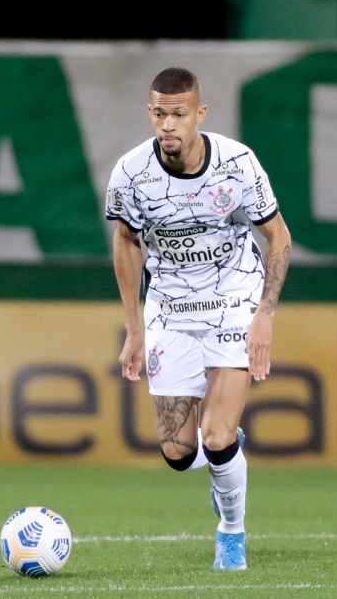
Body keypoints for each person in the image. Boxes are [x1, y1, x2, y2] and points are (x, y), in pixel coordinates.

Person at [104, 66, 291, 570]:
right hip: (169, 306)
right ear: (150, 113)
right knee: (178, 452)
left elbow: (279, 236)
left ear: (199, 115)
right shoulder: (131, 174)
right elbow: (126, 242)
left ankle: (232, 534)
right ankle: (221, 463)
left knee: (217, 435)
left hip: (233, 297)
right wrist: (134, 329)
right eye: (159, 114)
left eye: (179, 114)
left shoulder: (237, 164)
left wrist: (264, 317)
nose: (168, 125)